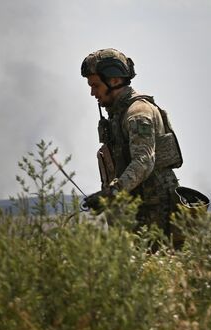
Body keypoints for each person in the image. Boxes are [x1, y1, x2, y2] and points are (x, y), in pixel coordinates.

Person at [81, 48, 183, 243]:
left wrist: (111, 194)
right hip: (138, 208)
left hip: (155, 211)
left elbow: (144, 161)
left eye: (95, 85)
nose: (92, 92)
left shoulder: (138, 113)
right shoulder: (118, 115)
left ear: (114, 81)